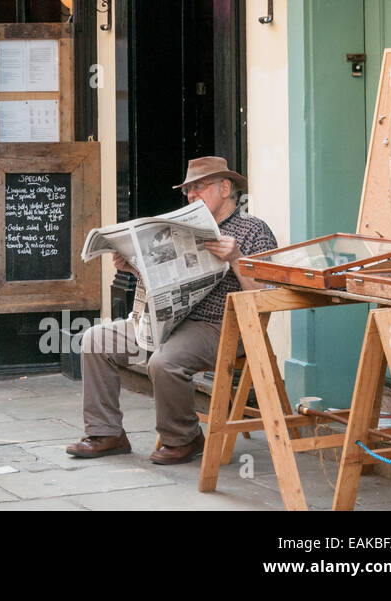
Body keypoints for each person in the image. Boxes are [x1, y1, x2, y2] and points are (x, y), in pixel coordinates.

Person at [67, 156, 277, 465]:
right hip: (169, 321)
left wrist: (236, 258)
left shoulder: (253, 230)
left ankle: (184, 438)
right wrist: (134, 268)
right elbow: (164, 282)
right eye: (188, 190)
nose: (191, 195)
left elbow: (266, 296)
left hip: (219, 326)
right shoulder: (181, 229)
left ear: (224, 188)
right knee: (95, 340)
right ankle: (106, 434)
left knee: (165, 362)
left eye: (198, 187)